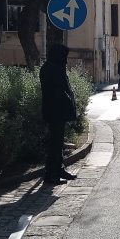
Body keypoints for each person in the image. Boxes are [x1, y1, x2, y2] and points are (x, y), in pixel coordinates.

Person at [39, 44, 78, 185]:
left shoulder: (52, 67)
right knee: (54, 144)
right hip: (55, 112)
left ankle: (59, 169)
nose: (66, 60)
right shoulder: (52, 69)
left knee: (58, 143)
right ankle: (51, 175)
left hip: (56, 112)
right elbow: (59, 91)